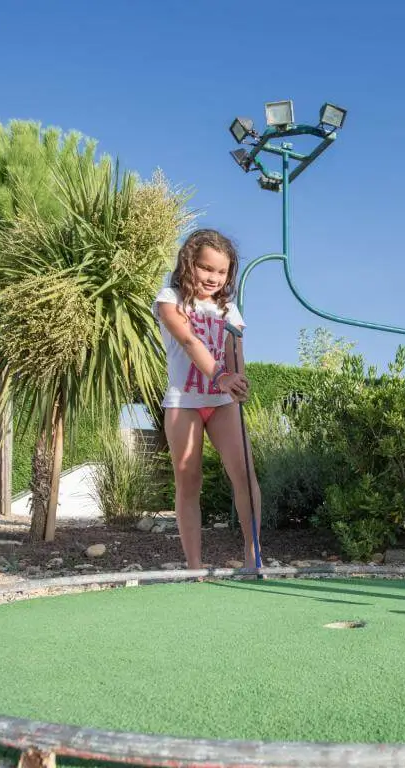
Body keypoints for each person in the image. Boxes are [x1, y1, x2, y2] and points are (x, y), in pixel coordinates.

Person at [152, 228, 261, 570]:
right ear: (189, 264)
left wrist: (237, 379)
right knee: (189, 479)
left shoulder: (229, 310)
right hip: (184, 402)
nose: (213, 277)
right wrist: (221, 376)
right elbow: (188, 342)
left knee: (244, 473)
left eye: (221, 271)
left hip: (222, 403)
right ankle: (194, 568)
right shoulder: (170, 299)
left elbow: (234, 352)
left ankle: (253, 557)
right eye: (206, 268)